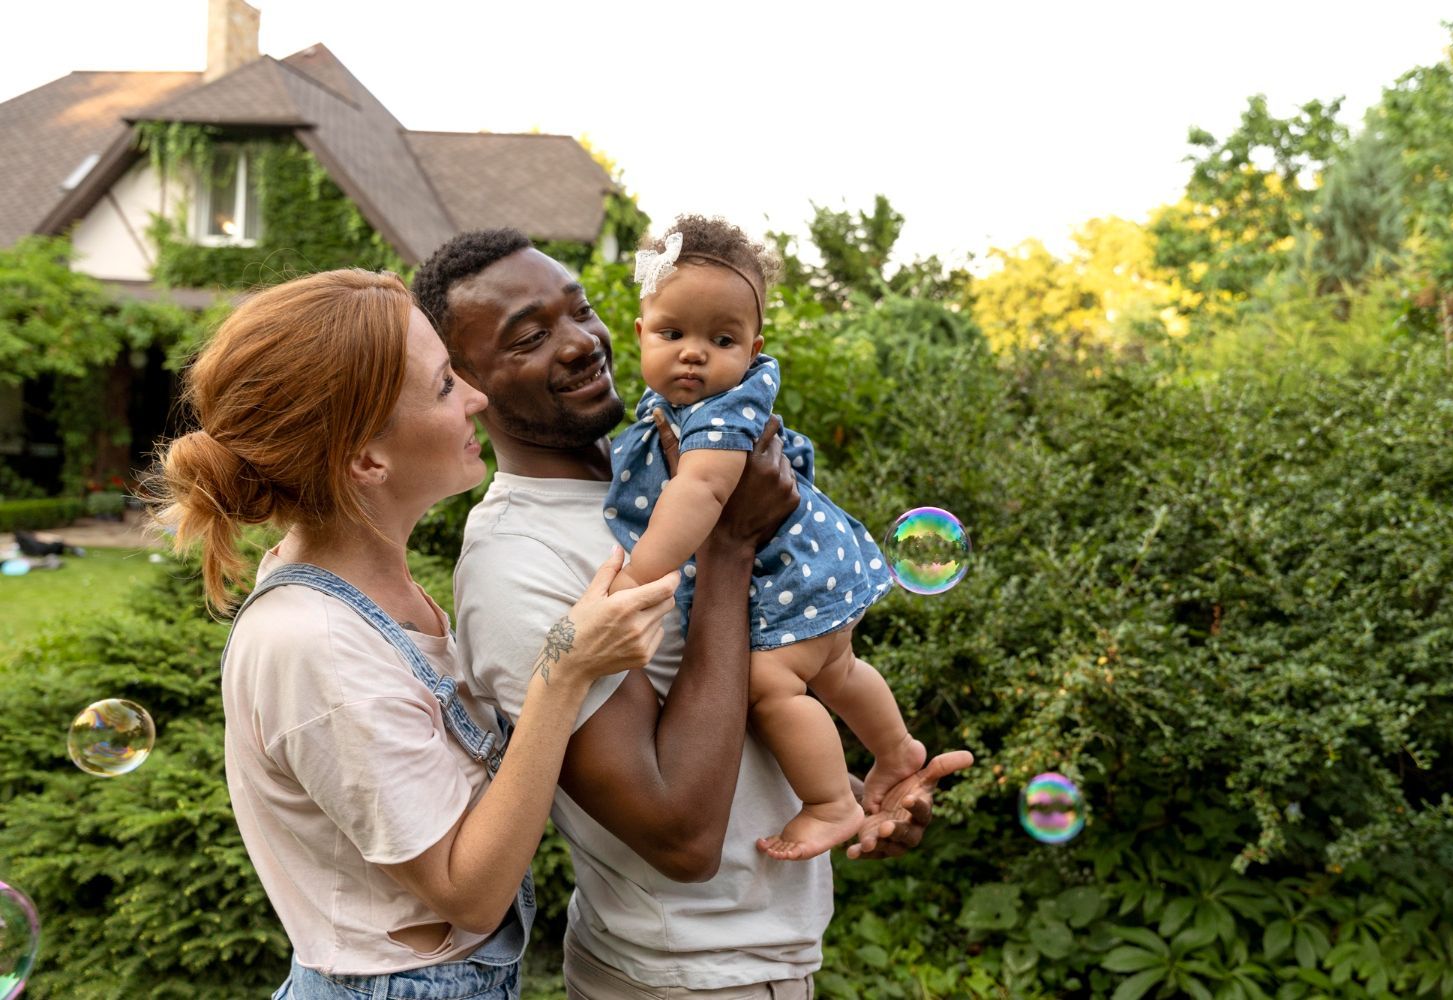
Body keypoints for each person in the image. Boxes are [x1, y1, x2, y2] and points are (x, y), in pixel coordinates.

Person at [412, 230, 972, 997]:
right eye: (531, 338)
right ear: (468, 382)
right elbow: (678, 834)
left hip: (769, 965)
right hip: (680, 979)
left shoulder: (665, 463)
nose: (579, 343)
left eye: (579, 311)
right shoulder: (518, 565)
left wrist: (851, 788)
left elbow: (738, 697)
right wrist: (728, 547)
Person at [146, 269, 679, 999]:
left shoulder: (374, 594)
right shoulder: (317, 644)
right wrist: (565, 669)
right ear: (366, 459)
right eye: (443, 387)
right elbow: (468, 893)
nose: (477, 398)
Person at [606, 215, 926, 861]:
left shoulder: (727, 413)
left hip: (788, 579)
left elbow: (699, 495)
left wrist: (635, 579)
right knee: (837, 665)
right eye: (673, 334)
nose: (693, 352)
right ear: (640, 335)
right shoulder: (679, 405)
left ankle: (831, 802)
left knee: (769, 684)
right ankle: (897, 750)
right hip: (808, 568)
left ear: (753, 350)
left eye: (720, 339)